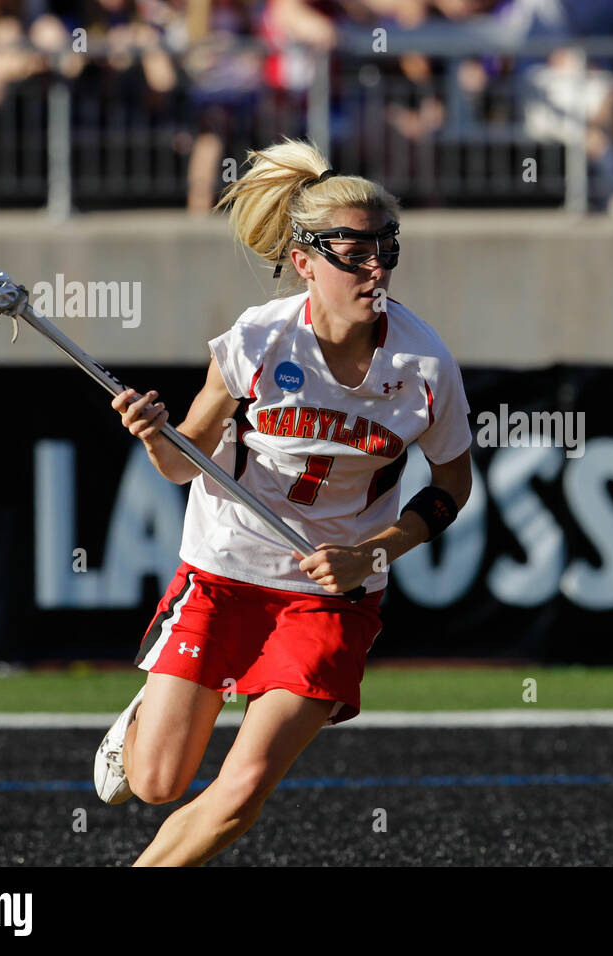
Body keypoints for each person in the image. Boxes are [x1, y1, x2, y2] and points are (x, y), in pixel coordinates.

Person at [91, 138, 473, 866]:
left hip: (331, 597)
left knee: (239, 795)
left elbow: (454, 483)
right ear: (304, 262)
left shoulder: (424, 364)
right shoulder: (258, 339)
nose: (375, 268)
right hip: (223, 569)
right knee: (157, 783)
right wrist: (152, 434)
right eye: (352, 253)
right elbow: (181, 464)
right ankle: (144, 719)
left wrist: (373, 552)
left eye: (385, 249)